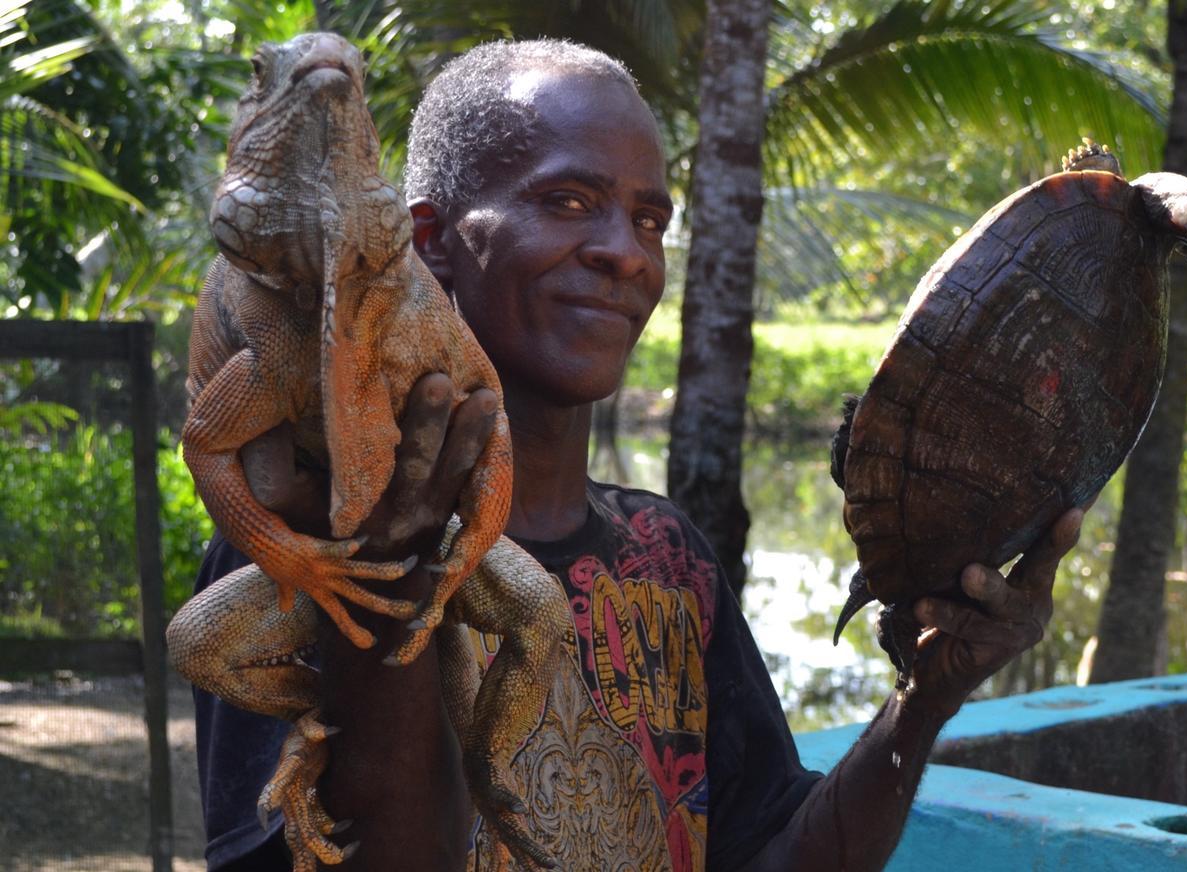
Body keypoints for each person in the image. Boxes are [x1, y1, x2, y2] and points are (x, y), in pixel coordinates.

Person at [190, 38, 1083, 871]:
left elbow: (780, 852)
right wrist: (391, 580)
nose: (626, 255)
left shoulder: (670, 558)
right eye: (567, 202)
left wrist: (924, 698)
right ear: (430, 242)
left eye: (650, 220)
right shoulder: (293, 556)